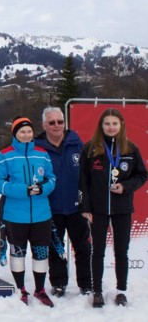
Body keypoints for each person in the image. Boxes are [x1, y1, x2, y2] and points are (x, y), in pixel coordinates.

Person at [79, 108, 147, 308]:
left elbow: (142, 175)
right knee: (97, 252)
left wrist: (125, 186)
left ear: (121, 125)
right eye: (107, 123)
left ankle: (121, 291)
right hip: (98, 209)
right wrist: (85, 207)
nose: (111, 127)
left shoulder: (131, 149)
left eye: (114, 123)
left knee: (121, 252)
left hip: (122, 209)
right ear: (101, 125)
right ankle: (97, 292)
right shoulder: (90, 149)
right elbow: (83, 180)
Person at [0, 116, 56, 307]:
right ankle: (21, 289)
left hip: (41, 214)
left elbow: (52, 178)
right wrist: (22, 190)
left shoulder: (42, 154)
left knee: (41, 253)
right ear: (15, 134)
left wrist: (43, 189)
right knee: (17, 252)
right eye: (22, 132)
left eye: (29, 131)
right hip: (14, 215)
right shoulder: (4, 155)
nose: (26, 135)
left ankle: (40, 289)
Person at [34, 106, 92, 297]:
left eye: (60, 122)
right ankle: (58, 283)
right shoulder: (37, 148)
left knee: (83, 247)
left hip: (77, 207)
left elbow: (87, 175)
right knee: (55, 248)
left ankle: (86, 284)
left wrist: (87, 203)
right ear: (44, 125)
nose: (57, 125)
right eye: (52, 122)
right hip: (50, 208)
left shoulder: (77, 144)